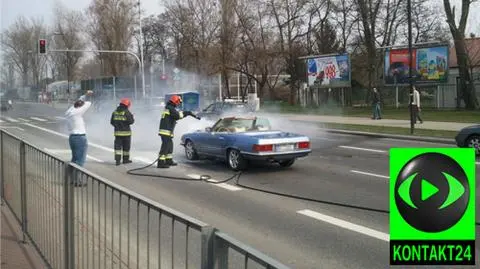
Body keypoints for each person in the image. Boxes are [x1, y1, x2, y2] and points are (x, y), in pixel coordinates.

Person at [157, 95, 200, 168]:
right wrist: (187, 113)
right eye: (178, 102)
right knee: (165, 146)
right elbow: (178, 116)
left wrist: (187, 113)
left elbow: (175, 115)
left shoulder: (169, 108)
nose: (178, 104)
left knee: (170, 146)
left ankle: (168, 160)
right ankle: (160, 163)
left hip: (167, 131)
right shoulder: (170, 108)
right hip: (165, 131)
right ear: (175, 101)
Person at [65, 90, 94, 180]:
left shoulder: (69, 111)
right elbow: (88, 103)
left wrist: (83, 96)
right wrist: (88, 95)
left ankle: (70, 177)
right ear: (79, 107)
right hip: (79, 138)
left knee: (74, 159)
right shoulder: (77, 112)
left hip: (72, 137)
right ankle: (77, 180)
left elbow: (78, 102)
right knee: (80, 161)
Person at [111, 98, 135, 165]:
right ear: (127, 105)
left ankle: (117, 161)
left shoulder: (115, 112)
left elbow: (112, 122)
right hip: (126, 134)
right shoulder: (126, 112)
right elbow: (131, 122)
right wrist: (132, 116)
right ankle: (125, 160)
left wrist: (117, 126)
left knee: (118, 148)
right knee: (126, 147)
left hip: (118, 134)